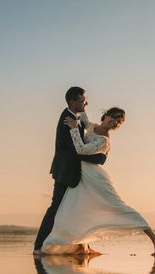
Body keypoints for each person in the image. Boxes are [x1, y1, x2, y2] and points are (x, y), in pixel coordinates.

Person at [41, 107, 155, 256]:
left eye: (118, 122)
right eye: (113, 118)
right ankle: (83, 246)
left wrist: (74, 128)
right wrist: (83, 105)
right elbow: (84, 117)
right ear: (105, 115)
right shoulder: (92, 127)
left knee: (118, 206)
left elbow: (82, 150)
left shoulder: (104, 141)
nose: (114, 122)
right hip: (81, 175)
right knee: (80, 208)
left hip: (96, 178)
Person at [33, 86, 103, 254]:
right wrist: (99, 158)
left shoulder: (74, 116)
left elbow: (85, 124)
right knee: (55, 208)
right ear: (72, 102)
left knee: (74, 207)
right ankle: (39, 245)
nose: (86, 102)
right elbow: (75, 149)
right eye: (82, 100)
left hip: (69, 171)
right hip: (66, 171)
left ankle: (81, 245)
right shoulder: (67, 119)